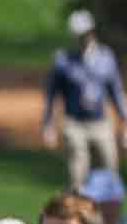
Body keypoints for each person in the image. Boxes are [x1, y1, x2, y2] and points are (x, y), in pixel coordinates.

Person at [42, 10, 126, 191]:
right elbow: (51, 94)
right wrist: (48, 124)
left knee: (110, 167)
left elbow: (116, 92)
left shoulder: (106, 58)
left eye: (85, 34)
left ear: (92, 32)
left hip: (100, 122)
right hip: (74, 123)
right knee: (79, 169)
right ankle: (77, 211)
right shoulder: (63, 61)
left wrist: (124, 119)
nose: (82, 39)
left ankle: (109, 213)